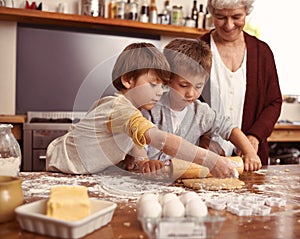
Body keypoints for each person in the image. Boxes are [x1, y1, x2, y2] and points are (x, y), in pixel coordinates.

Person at [46, 42, 238, 178]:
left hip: (80, 175)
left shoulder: (132, 114)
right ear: (128, 80)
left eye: (162, 86)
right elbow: (163, 140)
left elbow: (136, 140)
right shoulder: (118, 108)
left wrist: (142, 161)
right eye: (153, 84)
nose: (159, 92)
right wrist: (211, 160)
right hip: (61, 167)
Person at [143, 38, 261, 172]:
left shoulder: (201, 112)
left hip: (182, 184)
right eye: (183, 85)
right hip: (149, 182)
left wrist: (250, 152)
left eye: (198, 86)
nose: (191, 93)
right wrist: (143, 161)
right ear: (168, 80)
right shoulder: (151, 108)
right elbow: (138, 141)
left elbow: (229, 129)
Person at [198, 0, 282, 166]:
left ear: (246, 12)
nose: (229, 25)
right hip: (203, 158)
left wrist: (254, 136)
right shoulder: (196, 50)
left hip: (249, 160)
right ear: (212, 13)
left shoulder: (262, 52)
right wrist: (203, 140)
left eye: (236, 16)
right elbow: (181, 102)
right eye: (221, 17)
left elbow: (274, 102)